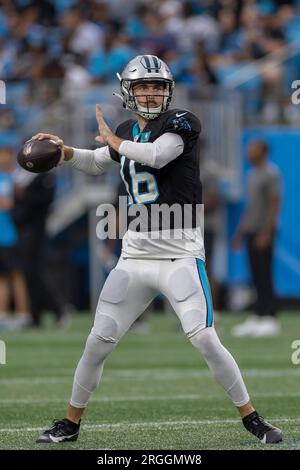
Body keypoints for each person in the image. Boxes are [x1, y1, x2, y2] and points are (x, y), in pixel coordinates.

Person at [33, 55, 282, 444]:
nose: (150, 93)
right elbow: (99, 161)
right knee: (97, 341)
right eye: (143, 87)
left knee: (203, 337)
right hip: (134, 257)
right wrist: (65, 152)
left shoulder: (182, 123)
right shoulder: (125, 130)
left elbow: (157, 155)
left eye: (157, 87)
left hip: (178, 255)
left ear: (168, 91)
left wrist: (117, 143)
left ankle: (252, 417)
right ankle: (70, 423)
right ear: (127, 91)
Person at [232, 139, 282, 337]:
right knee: (255, 273)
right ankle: (259, 314)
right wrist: (240, 232)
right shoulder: (251, 174)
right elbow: (251, 207)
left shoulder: (271, 173)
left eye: (253, 148)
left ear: (263, 151)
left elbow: (274, 204)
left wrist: (266, 232)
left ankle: (270, 316)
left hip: (263, 231)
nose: (249, 150)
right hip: (251, 230)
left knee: (264, 273)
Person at [0, 146, 31, 330]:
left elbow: (8, 203)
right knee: (3, 278)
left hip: (8, 235)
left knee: (16, 275)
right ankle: (3, 315)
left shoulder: (11, 178)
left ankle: (23, 314)